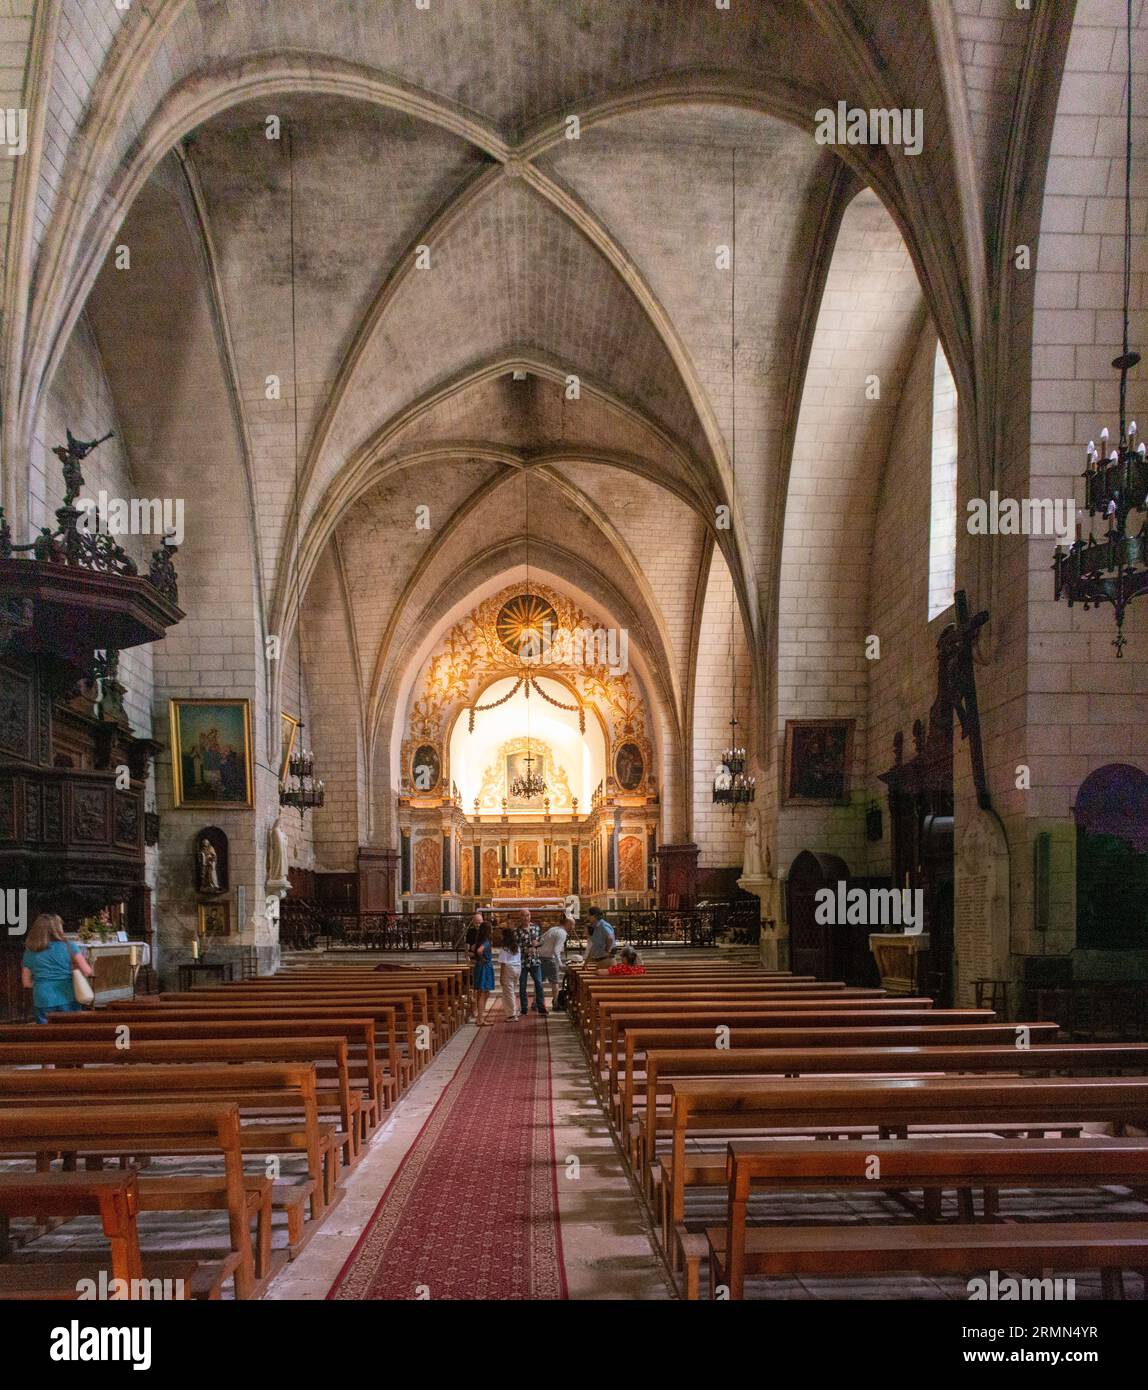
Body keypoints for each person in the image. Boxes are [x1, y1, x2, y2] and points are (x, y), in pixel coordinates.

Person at [21, 913, 94, 1023]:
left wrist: (43, 983)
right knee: (70, 1031)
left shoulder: (30, 951)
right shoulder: (69, 946)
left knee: (46, 1035)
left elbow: (26, 983)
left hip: (42, 997)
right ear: (58, 928)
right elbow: (87, 971)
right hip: (67, 995)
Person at [515, 910, 546, 1016]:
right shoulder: (517, 931)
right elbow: (515, 946)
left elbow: (541, 941)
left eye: (527, 915)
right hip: (522, 960)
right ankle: (524, 1008)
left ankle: (541, 1006)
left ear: (530, 916)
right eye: (523, 915)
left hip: (535, 960)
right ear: (520, 917)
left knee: (539, 983)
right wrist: (525, 949)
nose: (525, 917)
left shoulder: (536, 927)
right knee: (522, 985)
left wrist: (537, 944)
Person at [537, 913, 569, 1007]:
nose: (573, 927)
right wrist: (560, 963)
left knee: (539, 982)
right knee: (554, 982)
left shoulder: (553, 929)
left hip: (541, 956)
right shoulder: (562, 933)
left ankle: (536, 1002)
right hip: (550, 959)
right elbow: (556, 950)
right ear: (567, 923)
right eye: (572, 924)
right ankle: (555, 1003)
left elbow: (541, 938)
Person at [472, 920, 494, 1025]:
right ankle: (480, 1019)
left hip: (480, 966)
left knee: (483, 992)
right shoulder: (486, 941)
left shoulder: (479, 940)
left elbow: (473, 948)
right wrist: (483, 959)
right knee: (483, 993)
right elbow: (479, 951)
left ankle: (479, 1017)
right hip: (485, 967)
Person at [497, 927, 521, 1022]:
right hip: (517, 968)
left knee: (509, 992)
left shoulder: (505, 948)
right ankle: (512, 1011)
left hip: (509, 969)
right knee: (511, 991)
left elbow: (503, 963)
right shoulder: (516, 946)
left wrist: (501, 977)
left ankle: (512, 1015)